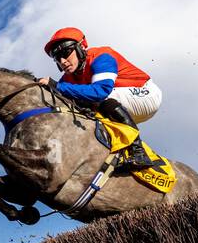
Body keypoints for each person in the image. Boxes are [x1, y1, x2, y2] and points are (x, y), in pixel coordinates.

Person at [38, 27, 162, 168]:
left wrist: (57, 86)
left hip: (145, 94)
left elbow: (100, 91)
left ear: (81, 47)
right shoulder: (67, 79)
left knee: (98, 100)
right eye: (57, 58)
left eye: (65, 53)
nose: (62, 61)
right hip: (120, 105)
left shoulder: (102, 56)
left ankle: (138, 153)